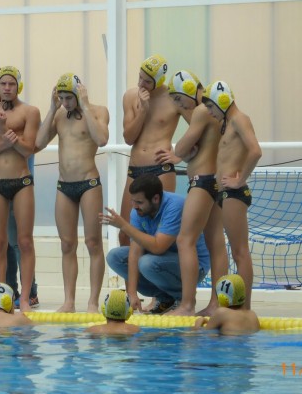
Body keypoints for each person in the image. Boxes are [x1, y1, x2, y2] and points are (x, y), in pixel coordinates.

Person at [36, 72, 109, 313]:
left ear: (79, 93)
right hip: (64, 186)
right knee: (67, 244)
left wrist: (85, 105)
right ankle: (69, 301)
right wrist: (50, 109)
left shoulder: (98, 111)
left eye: (70, 97)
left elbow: (102, 139)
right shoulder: (59, 115)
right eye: (62, 98)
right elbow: (38, 142)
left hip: (88, 183)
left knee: (93, 242)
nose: (66, 103)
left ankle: (92, 302)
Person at [0, 66, 40, 312]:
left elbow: (27, 150)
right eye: (3, 84)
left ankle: (24, 298)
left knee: (24, 242)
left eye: (12, 84)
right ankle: (0, 297)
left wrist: (2, 130)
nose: (7, 88)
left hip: (22, 181)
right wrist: (1, 143)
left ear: (18, 86)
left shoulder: (30, 112)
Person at [165, 71, 229, 317]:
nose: (180, 107)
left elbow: (181, 148)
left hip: (202, 182)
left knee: (185, 240)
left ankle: (187, 305)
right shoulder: (216, 112)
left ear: (191, 91)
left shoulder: (202, 110)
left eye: (180, 100)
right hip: (216, 181)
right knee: (216, 244)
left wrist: (180, 152)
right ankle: (217, 304)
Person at [100, 173, 210, 314]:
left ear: (156, 199)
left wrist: (124, 226)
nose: (134, 206)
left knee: (147, 263)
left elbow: (158, 247)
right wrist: (132, 293)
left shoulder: (174, 206)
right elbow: (135, 251)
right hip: (163, 261)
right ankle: (164, 298)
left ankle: (183, 300)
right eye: (133, 201)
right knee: (115, 257)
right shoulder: (138, 212)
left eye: (139, 202)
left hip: (194, 267)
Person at [202, 81, 262, 310]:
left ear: (222, 102)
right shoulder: (227, 123)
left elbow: (255, 150)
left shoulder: (240, 119)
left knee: (240, 251)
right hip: (224, 193)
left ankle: (245, 308)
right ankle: (234, 306)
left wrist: (240, 179)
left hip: (234, 192)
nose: (209, 112)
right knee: (234, 250)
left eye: (210, 107)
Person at [119, 55, 189, 248]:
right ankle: (133, 280)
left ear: (159, 81)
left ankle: (155, 276)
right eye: (140, 77)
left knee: (158, 232)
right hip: (135, 170)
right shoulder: (130, 96)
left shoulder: (174, 99)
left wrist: (179, 155)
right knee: (125, 234)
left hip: (161, 171)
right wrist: (143, 110)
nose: (141, 83)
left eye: (147, 81)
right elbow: (128, 138)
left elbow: (199, 126)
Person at [193, 274, 260, 335]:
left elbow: (204, 335)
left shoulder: (221, 312)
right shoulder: (253, 315)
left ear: (221, 297)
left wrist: (199, 321)